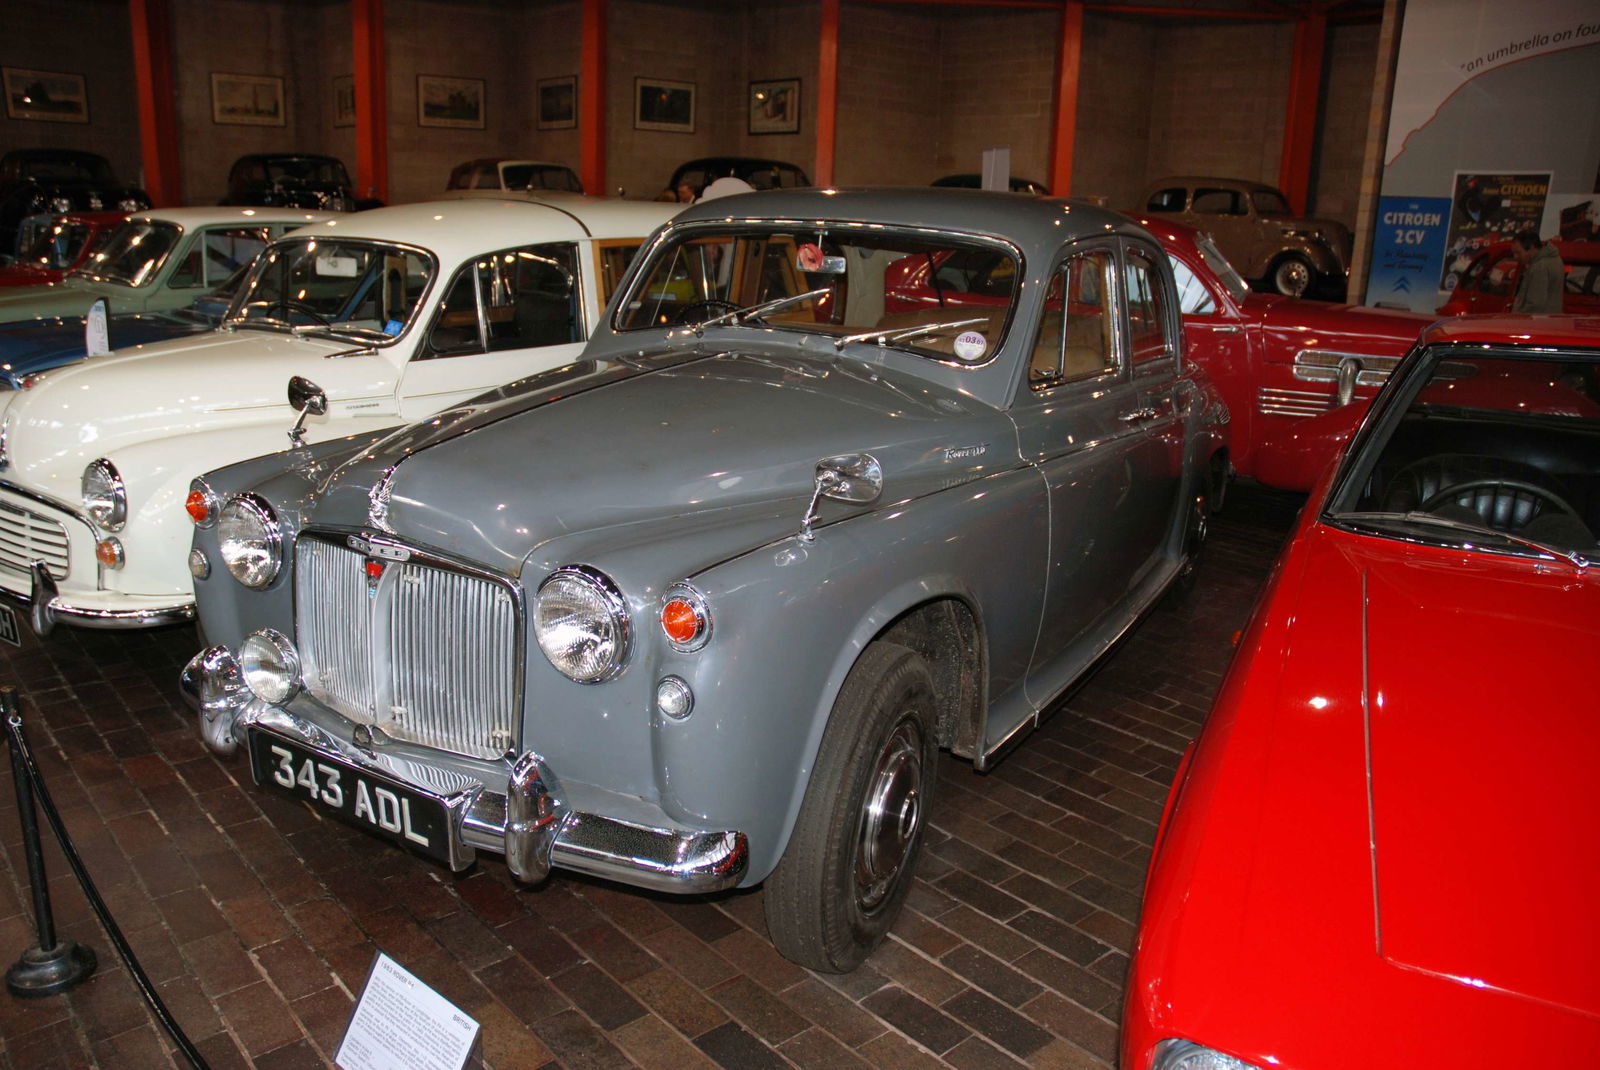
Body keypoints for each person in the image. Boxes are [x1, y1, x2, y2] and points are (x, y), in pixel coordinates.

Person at [1511, 230, 1565, 313]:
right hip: (1550, 320)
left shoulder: (1539, 267)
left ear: (1531, 248)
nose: (1515, 257)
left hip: (1535, 322)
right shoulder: (1554, 259)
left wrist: (1518, 316)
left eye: (1518, 253)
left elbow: (1535, 304)